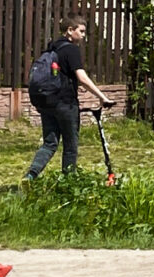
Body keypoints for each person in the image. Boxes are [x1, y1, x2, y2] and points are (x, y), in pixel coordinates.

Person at [25, 15, 115, 180]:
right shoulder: (71, 49)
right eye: (81, 31)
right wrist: (102, 97)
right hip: (65, 104)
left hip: (47, 103)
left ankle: (30, 176)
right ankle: (69, 184)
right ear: (70, 30)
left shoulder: (52, 48)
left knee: (50, 143)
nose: (83, 35)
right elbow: (82, 78)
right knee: (70, 146)